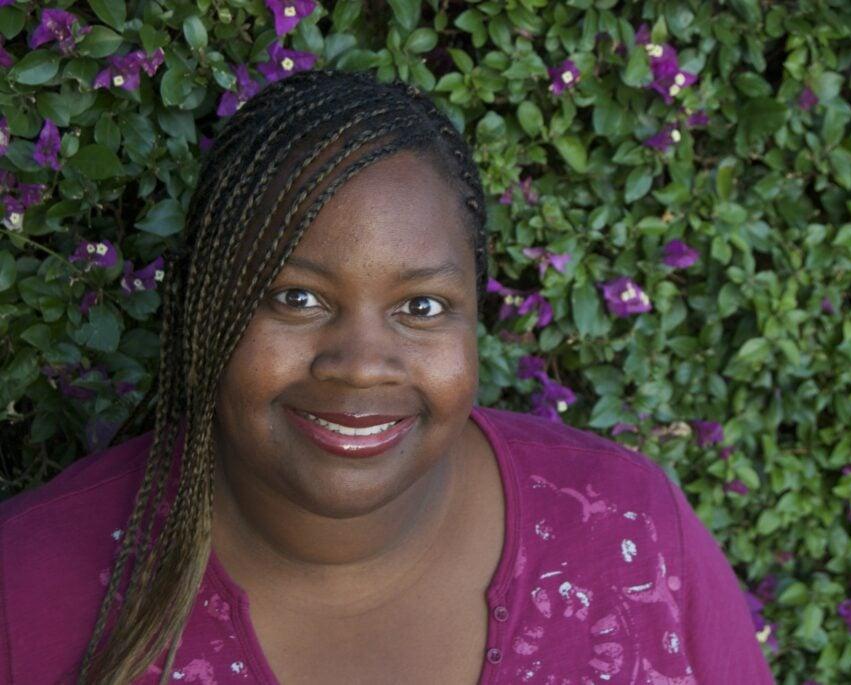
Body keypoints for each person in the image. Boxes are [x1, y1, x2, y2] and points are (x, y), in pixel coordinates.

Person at [0, 70, 773, 684]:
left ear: (475, 320)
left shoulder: (630, 528)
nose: (363, 363)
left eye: (422, 304)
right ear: (205, 308)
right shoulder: (27, 588)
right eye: (295, 297)